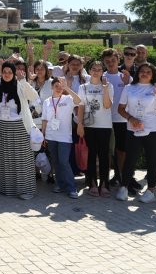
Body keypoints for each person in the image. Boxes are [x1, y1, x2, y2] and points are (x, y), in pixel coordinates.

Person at [116, 62, 156, 204]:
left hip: (153, 130)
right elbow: (121, 109)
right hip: (133, 128)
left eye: (148, 72)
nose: (145, 73)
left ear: (153, 74)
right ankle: (124, 187)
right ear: (138, 73)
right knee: (130, 158)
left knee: (152, 160)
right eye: (142, 71)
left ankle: (150, 191)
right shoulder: (129, 88)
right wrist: (131, 119)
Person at [0, 61, 40, 200]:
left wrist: (23, 81)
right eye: (4, 72)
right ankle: (6, 188)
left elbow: (33, 96)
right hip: (3, 127)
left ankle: (25, 190)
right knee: (5, 159)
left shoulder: (20, 85)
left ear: (14, 73)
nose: (7, 75)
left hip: (20, 126)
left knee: (22, 159)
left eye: (10, 72)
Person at [76, 61, 114, 197]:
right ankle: (91, 183)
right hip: (89, 125)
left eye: (99, 69)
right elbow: (81, 106)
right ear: (89, 70)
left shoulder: (109, 86)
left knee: (104, 155)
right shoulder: (83, 87)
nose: (96, 71)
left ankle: (104, 184)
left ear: (102, 71)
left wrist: (104, 88)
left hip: (104, 125)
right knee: (90, 155)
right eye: (94, 69)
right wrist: (80, 124)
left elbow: (107, 105)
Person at [41, 77, 82, 199]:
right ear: (52, 87)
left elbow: (79, 100)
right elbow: (44, 119)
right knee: (56, 161)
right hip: (51, 135)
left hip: (64, 136)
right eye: (56, 86)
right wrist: (43, 134)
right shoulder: (47, 101)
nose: (58, 89)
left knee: (64, 161)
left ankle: (71, 188)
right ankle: (60, 184)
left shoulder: (68, 99)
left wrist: (67, 88)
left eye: (60, 86)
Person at [102, 48, 131, 187]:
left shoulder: (126, 77)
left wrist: (127, 83)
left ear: (118, 60)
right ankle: (107, 177)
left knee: (121, 150)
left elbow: (133, 95)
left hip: (122, 119)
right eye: (107, 61)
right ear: (104, 62)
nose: (111, 63)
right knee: (108, 150)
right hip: (105, 120)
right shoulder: (101, 77)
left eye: (113, 60)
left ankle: (120, 175)